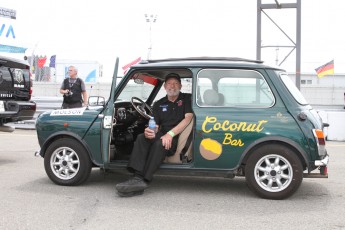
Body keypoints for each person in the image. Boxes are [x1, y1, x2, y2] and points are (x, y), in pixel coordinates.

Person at [116, 73, 193, 197]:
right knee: (142, 137)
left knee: (160, 143)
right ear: (164, 86)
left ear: (180, 86)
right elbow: (155, 124)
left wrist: (170, 134)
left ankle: (144, 180)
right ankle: (137, 177)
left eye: (175, 83)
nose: (172, 86)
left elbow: (188, 118)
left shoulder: (186, 99)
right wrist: (150, 131)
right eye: (169, 83)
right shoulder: (158, 103)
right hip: (163, 134)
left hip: (176, 136)